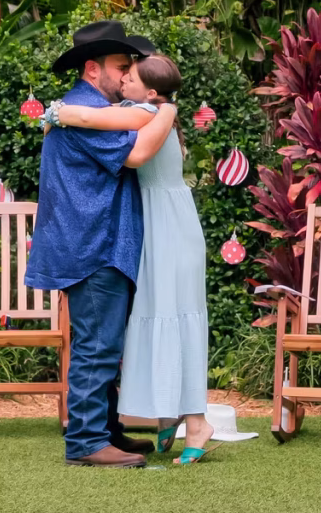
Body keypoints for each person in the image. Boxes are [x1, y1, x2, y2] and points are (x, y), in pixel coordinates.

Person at [25, 20, 178, 468]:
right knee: (97, 345)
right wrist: (166, 109)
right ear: (93, 69)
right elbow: (137, 153)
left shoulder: (91, 108)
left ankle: (107, 431)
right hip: (94, 245)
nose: (129, 73)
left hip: (102, 241)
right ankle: (87, 443)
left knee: (106, 345)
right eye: (121, 65)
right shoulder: (84, 109)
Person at [50, 54, 217, 465]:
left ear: (152, 91)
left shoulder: (147, 112)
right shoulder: (142, 109)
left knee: (174, 318)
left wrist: (58, 111)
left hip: (170, 230)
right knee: (156, 320)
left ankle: (194, 421)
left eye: (132, 73)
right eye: (121, 68)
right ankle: (162, 418)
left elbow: (125, 146)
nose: (125, 77)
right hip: (154, 229)